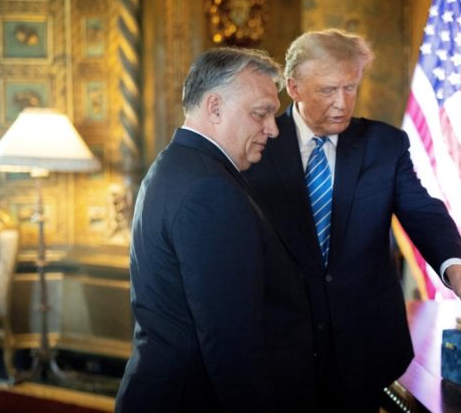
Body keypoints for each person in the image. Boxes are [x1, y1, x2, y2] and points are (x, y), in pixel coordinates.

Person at [244, 28, 461, 411]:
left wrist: (457, 272)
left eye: (350, 88)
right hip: (280, 346)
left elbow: (423, 212)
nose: (342, 103)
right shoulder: (257, 144)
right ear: (294, 87)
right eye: (328, 90)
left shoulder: (384, 145)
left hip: (363, 347)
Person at [115, 47, 314, 412]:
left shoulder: (176, 165)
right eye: (260, 113)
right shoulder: (210, 189)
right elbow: (231, 343)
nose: (273, 129)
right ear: (215, 107)